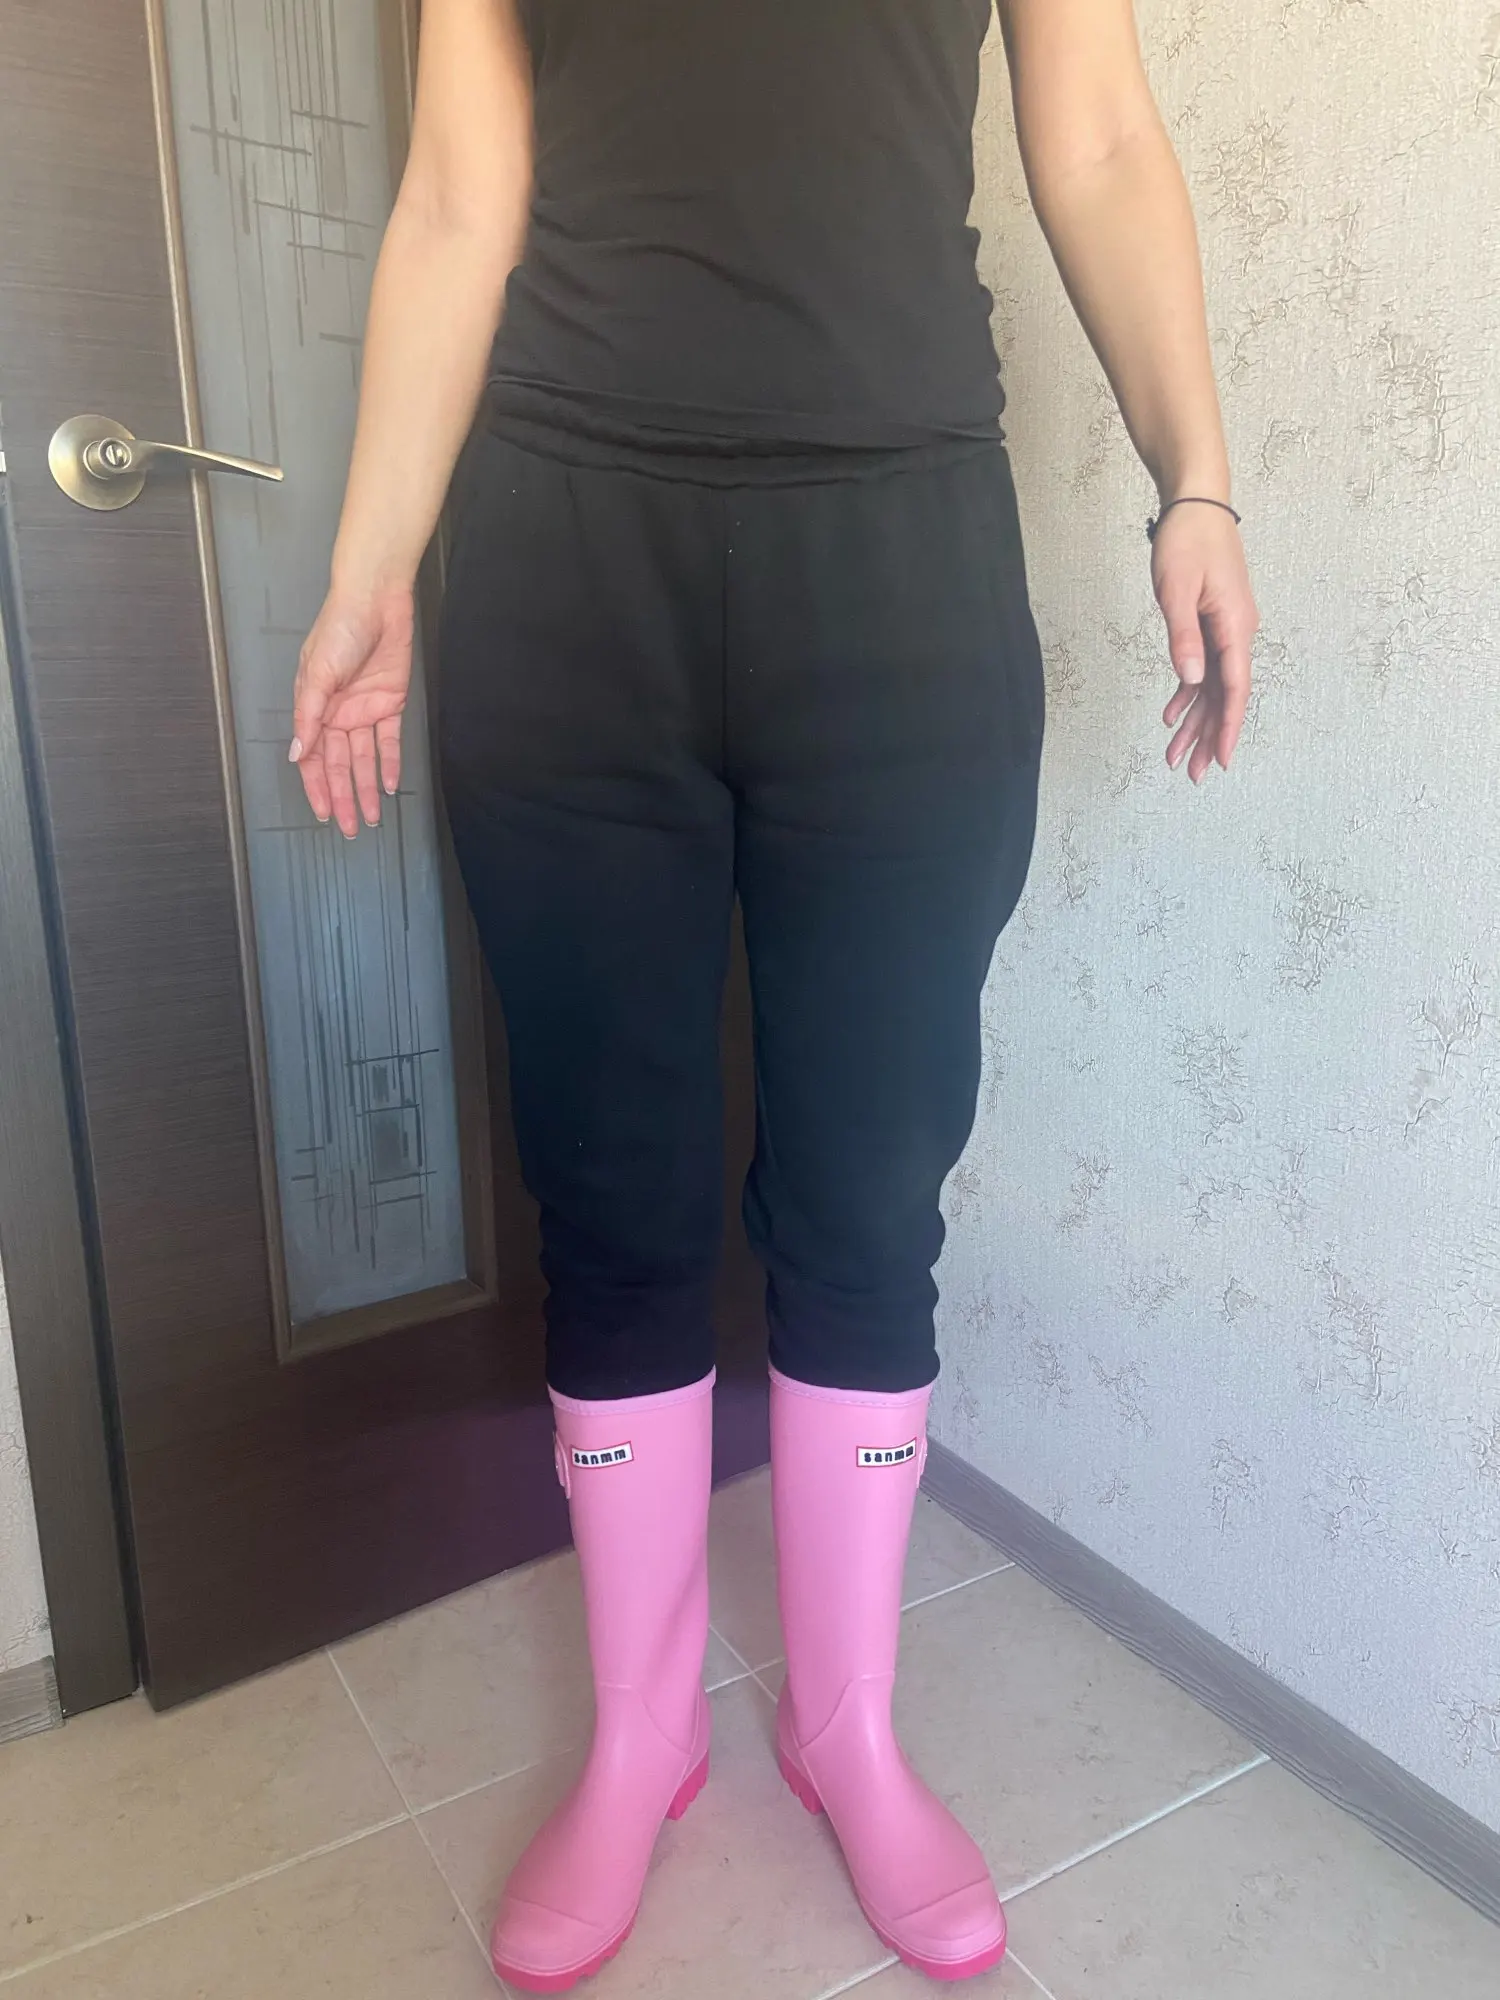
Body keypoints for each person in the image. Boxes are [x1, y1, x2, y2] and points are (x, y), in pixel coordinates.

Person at [291, 0, 1258, 1987]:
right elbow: (463, 192)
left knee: (868, 1196)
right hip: (567, 559)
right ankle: (640, 1739)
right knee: (612, 1196)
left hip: (901, 556)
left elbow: (1093, 137)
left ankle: (849, 1731)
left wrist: (1201, 478)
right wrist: (373, 567)